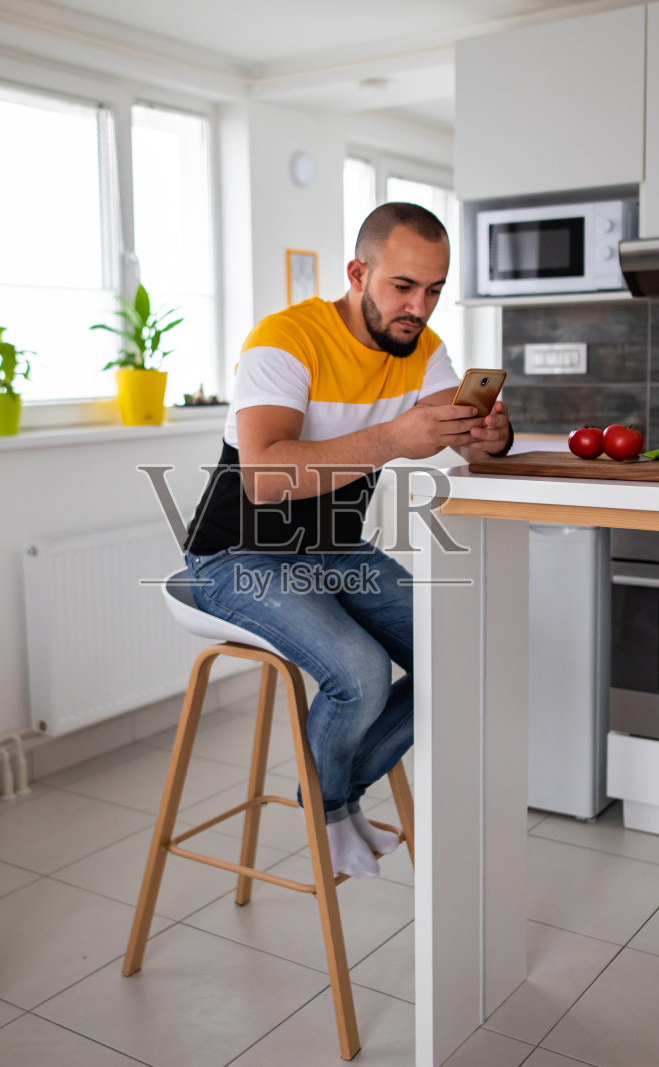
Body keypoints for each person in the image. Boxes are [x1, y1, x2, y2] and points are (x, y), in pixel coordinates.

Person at [181, 202, 513, 878]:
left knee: (462, 654)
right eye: (403, 286)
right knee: (360, 673)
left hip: (335, 548)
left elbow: (462, 444)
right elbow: (265, 477)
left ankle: (327, 797)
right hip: (232, 554)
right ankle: (330, 811)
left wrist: (490, 436)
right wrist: (394, 437)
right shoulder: (284, 340)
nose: (418, 307)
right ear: (359, 272)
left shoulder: (421, 347)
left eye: (434, 290)